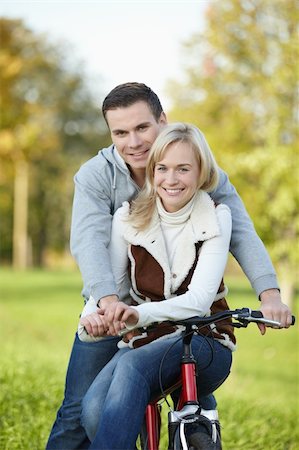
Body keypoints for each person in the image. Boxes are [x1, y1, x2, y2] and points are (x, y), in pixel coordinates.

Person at [46, 82, 292, 450]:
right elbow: (89, 242)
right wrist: (108, 304)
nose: (133, 142)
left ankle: (193, 430)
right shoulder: (97, 177)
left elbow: (238, 228)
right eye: (120, 132)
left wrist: (270, 293)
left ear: (162, 120)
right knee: (81, 408)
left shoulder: (199, 167)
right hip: (112, 303)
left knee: (187, 400)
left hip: (184, 314)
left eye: (142, 127)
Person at [79, 122, 234, 449]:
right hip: (147, 340)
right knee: (92, 410)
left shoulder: (217, 216)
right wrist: (92, 313)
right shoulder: (128, 217)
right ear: (152, 170)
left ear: (201, 171)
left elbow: (199, 300)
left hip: (204, 341)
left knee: (135, 366)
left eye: (183, 169)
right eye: (162, 168)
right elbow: (112, 283)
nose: (171, 179)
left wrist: (137, 314)